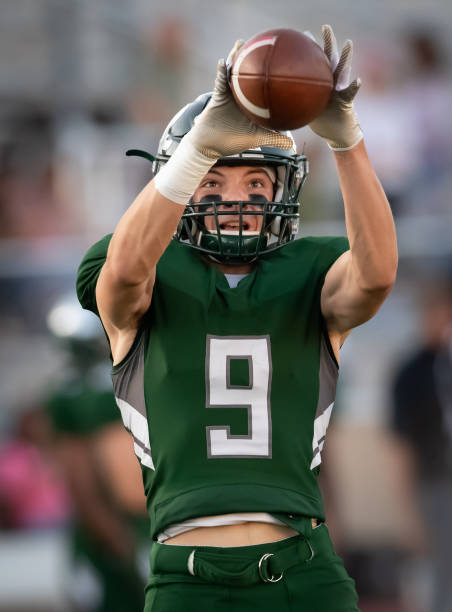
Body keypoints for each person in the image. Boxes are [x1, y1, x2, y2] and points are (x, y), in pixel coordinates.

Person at [77, 25, 397, 612]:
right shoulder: (137, 269)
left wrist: (348, 142)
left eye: (256, 181)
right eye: (212, 179)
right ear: (177, 184)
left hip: (305, 570)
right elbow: (124, 275)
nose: (237, 199)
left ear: (284, 190)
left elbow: (375, 275)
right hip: (186, 578)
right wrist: (199, 145)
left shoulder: (311, 274)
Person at [44, 295, 149, 612]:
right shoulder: (90, 397)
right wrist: (117, 536)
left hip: (125, 524)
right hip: (120, 526)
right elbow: (83, 479)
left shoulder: (72, 391)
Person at [392, 280, 452, 612]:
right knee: (437, 571)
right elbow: (400, 445)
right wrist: (408, 507)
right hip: (432, 483)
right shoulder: (412, 372)